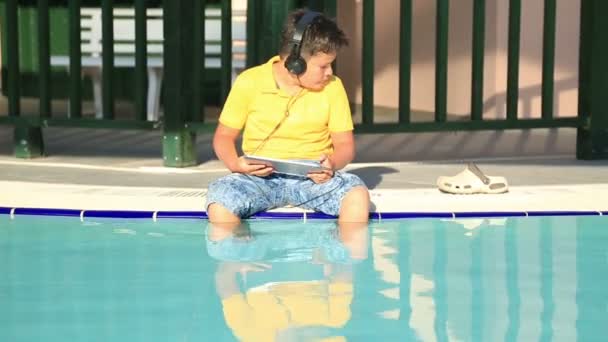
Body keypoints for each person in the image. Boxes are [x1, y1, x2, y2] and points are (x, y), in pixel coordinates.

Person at [206, 9, 370, 224]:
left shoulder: (333, 87)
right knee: (220, 203)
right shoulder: (249, 81)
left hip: (313, 179)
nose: (329, 72)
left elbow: (345, 145)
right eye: (323, 66)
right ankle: (242, 255)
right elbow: (223, 137)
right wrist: (235, 165)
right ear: (295, 62)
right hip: (258, 178)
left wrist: (332, 163)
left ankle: (341, 256)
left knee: (357, 196)